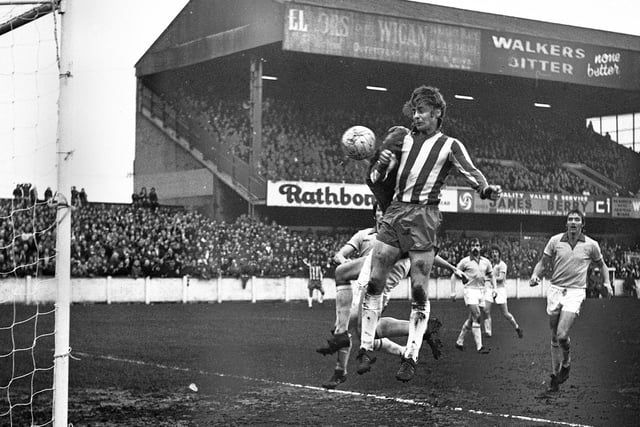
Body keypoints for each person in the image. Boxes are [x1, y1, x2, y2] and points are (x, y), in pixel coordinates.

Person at [357, 85, 502, 382]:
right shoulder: (401, 138)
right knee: (375, 277)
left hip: (425, 216)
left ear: (437, 113)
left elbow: (470, 171)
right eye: (414, 110)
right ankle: (365, 344)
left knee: (419, 289)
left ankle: (411, 356)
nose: (417, 115)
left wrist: (485, 189)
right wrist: (380, 166)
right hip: (396, 211)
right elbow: (379, 176)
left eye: (422, 110)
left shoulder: (449, 145)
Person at [317, 203, 467, 389]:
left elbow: (427, 254)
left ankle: (341, 370)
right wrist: (346, 261)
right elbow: (340, 255)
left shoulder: (403, 234)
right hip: (364, 277)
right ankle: (411, 340)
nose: (382, 214)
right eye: (379, 211)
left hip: (378, 284)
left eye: (385, 211)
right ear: (375, 215)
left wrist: (451, 267)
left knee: (355, 326)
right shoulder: (365, 235)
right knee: (358, 324)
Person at [529, 209, 612, 393]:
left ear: (583, 224)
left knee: (561, 334)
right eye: (570, 219)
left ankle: (566, 362)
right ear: (566, 223)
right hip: (555, 290)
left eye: (577, 219)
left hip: (575, 292)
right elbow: (543, 262)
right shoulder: (555, 241)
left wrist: (607, 282)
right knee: (553, 335)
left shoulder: (591, 245)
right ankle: (555, 376)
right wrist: (535, 275)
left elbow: (602, 265)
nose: (573, 222)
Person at [451, 238, 494, 354]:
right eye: (473, 245)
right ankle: (480, 347)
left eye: (477, 245)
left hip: (481, 291)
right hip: (470, 291)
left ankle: (459, 341)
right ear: (469, 248)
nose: (475, 248)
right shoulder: (465, 261)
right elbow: (454, 274)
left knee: (471, 320)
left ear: (480, 247)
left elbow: (491, 275)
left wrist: (494, 289)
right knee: (478, 315)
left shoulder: (486, 262)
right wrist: (453, 291)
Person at [482, 246, 523, 339]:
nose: (494, 254)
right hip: (490, 289)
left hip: (500, 290)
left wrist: (489, 279)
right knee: (486, 310)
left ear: (499, 254)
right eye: (492, 252)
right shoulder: (490, 265)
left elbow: (500, 278)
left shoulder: (502, 265)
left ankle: (517, 327)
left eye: (495, 252)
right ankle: (488, 331)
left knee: (505, 313)